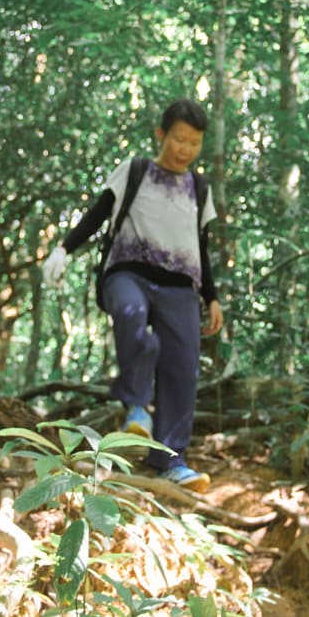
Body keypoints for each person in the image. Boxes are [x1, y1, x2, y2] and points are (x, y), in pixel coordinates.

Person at [41, 99, 223, 493]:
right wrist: (63, 250)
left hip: (180, 286)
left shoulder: (199, 188)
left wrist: (212, 297)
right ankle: (136, 405)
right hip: (128, 273)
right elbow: (97, 213)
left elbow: (201, 247)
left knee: (182, 370)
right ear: (161, 135)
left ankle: (171, 460)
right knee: (130, 314)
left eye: (194, 143)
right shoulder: (136, 170)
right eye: (178, 140)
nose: (184, 150)